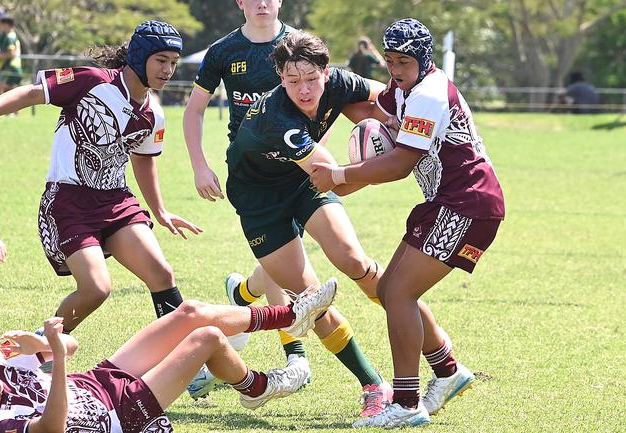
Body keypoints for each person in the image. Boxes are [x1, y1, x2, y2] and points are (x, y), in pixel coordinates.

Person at [311, 18, 505, 428]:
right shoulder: (405, 89)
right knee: (389, 289)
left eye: (403, 62)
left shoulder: (430, 95)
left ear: (423, 60)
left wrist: (342, 175)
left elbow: (401, 164)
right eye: (390, 61)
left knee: (397, 293)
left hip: (468, 205)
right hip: (447, 202)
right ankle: (450, 372)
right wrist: (321, 79)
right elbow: (367, 106)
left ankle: (405, 402)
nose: (395, 70)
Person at [0, 21, 202, 334]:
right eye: (161, 61)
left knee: (161, 274)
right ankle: (42, 348)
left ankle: (184, 354)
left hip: (116, 201)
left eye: (174, 63)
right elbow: (32, 94)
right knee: (96, 289)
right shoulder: (92, 81)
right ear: (139, 57)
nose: (168, 70)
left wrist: (161, 211)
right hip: (69, 202)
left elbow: (144, 161)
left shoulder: (154, 113)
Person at [225, 30, 398, 418]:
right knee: (310, 299)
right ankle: (374, 385)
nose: (304, 90)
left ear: (325, 70)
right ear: (280, 79)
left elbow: (383, 96)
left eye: (311, 79)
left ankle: (426, 339)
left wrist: (400, 122)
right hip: (259, 201)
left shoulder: (338, 80)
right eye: (292, 81)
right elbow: (333, 176)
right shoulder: (278, 119)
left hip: (301, 181)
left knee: (353, 259)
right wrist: (395, 160)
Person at [0, 278, 338, 432]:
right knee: (207, 339)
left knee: (190, 313)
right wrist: (55, 357)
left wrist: (41, 346)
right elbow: (52, 427)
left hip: (97, 381)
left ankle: (292, 316)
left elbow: (70, 347)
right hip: (114, 416)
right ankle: (256, 387)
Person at [183, 0, 310, 399]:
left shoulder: (299, 45)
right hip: (251, 169)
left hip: (299, 163)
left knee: (282, 257)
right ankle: (296, 356)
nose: (260, 3)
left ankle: (244, 295)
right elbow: (194, 110)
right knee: (284, 254)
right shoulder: (223, 51)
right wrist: (200, 166)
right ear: (239, 2)